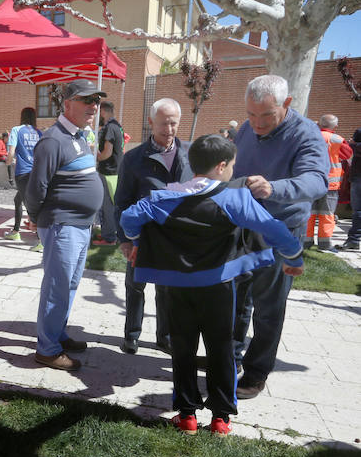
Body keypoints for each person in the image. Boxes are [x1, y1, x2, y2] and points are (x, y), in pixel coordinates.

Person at [120, 134, 304, 436]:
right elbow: (274, 228)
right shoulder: (235, 198)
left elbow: (129, 218)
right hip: (219, 287)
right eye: (232, 165)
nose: (233, 170)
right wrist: (294, 256)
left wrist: (136, 241)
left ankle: (188, 415)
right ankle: (221, 419)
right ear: (221, 167)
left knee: (183, 348)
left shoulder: (163, 198)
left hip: (177, 287)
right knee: (222, 348)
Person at [231, 74, 329, 400]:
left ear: (287, 105)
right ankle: (230, 358)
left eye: (266, 116)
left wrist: (275, 188)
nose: (257, 123)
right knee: (234, 299)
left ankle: (256, 371)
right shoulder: (246, 129)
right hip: (242, 229)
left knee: (268, 306)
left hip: (279, 231)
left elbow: (317, 180)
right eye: (251, 114)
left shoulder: (307, 135)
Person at [24, 79, 106, 371]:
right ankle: (47, 349)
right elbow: (35, 190)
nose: (94, 106)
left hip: (80, 225)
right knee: (57, 287)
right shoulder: (53, 140)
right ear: (67, 104)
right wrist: (38, 219)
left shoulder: (81, 136)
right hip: (62, 225)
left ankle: (57, 334)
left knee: (69, 285)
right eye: (87, 100)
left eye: (96, 100)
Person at [114, 98, 192, 355]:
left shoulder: (189, 155)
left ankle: (164, 336)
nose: (169, 129)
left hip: (175, 238)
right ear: (151, 122)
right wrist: (124, 239)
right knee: (135, 286)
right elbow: (122, 201)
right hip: (142, 236)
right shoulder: (134, 158)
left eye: (173, 123)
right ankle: (131, 335)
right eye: (163, 123)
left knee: (168, 289)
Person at [304, 114, 353, 251]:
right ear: (335, 127)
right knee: (327, 214)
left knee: (309, 213)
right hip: (329, 184)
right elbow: (348, 155)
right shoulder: (338, 140)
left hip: (310, 182)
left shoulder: (309, 136)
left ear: (319, 124)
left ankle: (306, 242)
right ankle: (324, 244)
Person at [4, 108, 42, 243]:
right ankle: (15, 231)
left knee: (30, 206)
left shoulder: (16, 130)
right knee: (18, 200)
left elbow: (11, 152)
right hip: (36, 172)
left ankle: (41, 240)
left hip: (23, 173)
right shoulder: (39, 132)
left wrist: (8, 162)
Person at [93, 101, 124, 246]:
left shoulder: (110, 128)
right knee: (111, 206)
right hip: (114, 172)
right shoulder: (117, 126)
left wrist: (94, 154)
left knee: (107, 207)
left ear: (103, 111)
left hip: (108, 172)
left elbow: (106, 153)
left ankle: (109, 238)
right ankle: (111, 235)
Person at [337, 127, 361, 251]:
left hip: (358, 178)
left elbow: (350, 150)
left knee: (358, 211)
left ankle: (354, 240)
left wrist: (352, 144)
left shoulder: (358, 135)